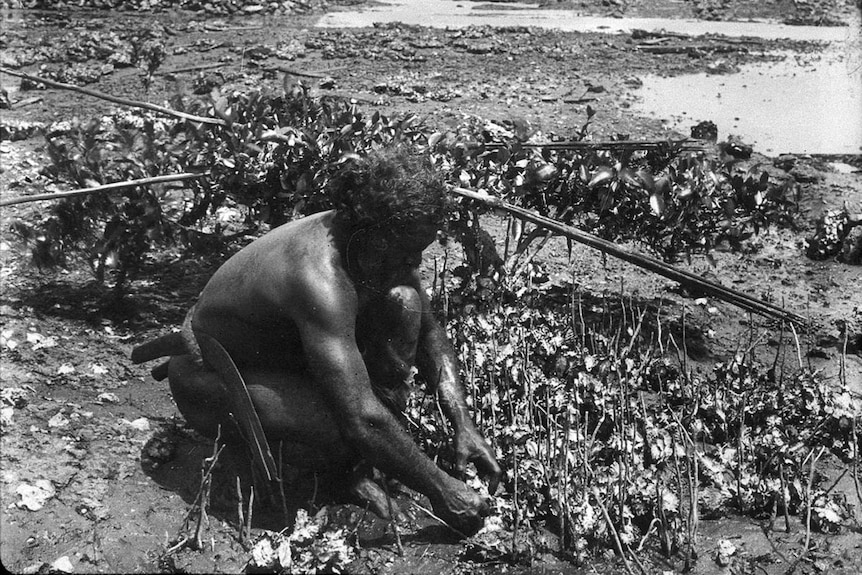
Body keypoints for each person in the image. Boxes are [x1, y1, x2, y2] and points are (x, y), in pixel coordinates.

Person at [132, 147, 501, 536]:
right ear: (373, 233)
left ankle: (361, 459)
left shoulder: (377, 243)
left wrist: (463, 422)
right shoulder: (318, 276)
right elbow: (361, 417)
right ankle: (337, 474)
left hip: (281, 362)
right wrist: (443, 491)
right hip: (209, 379)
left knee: (405, 302)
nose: (414, 264)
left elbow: (428, 330)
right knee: (346, 427)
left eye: (418, 253)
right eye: (406, 253)